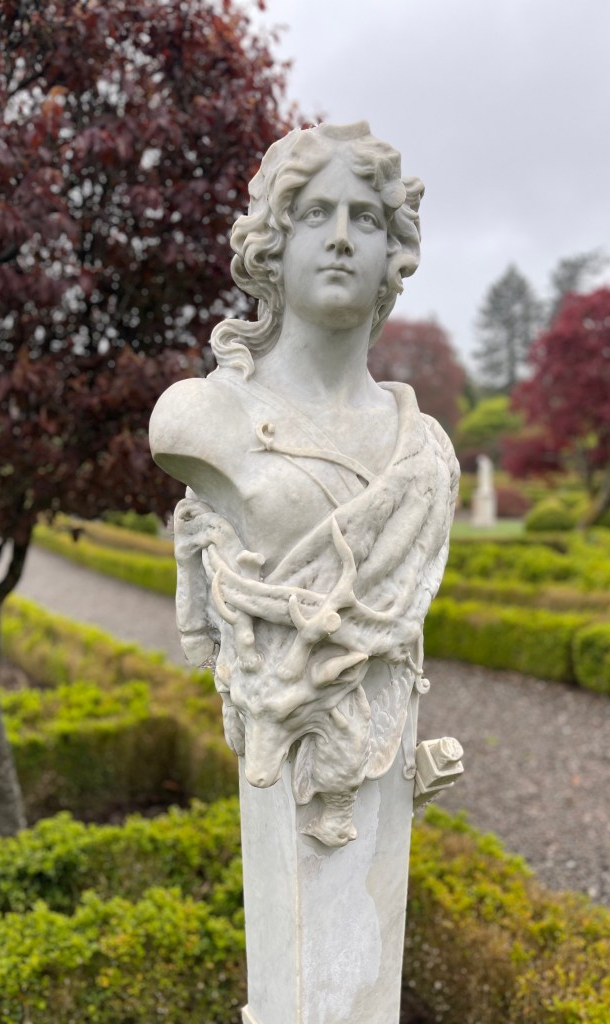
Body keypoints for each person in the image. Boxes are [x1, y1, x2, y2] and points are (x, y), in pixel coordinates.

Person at [150, 122, 458, 847]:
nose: (342, 238)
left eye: (367, 219)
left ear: (393, 255)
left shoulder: (427, 452)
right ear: (273, 245)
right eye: (317, 213)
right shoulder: (200, 418)